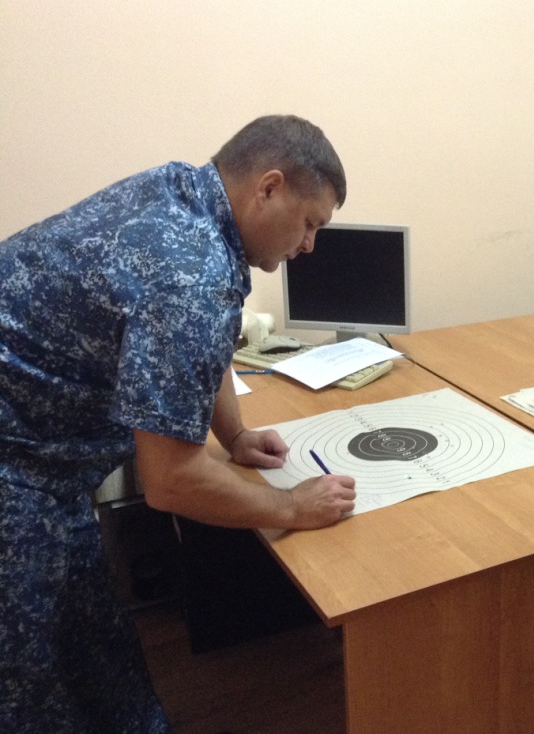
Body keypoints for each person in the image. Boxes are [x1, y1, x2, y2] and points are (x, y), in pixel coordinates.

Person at [0, 115, 358, 732]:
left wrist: (234, 436)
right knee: (32, 683)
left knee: (93, 638)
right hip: (18, 464)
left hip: (41, 455)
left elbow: (196, 347)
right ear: (269, 187)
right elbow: (169, 482)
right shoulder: (190, 272)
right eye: (309, 224)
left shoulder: (183, 194)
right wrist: (292, 508)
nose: (309, 246)